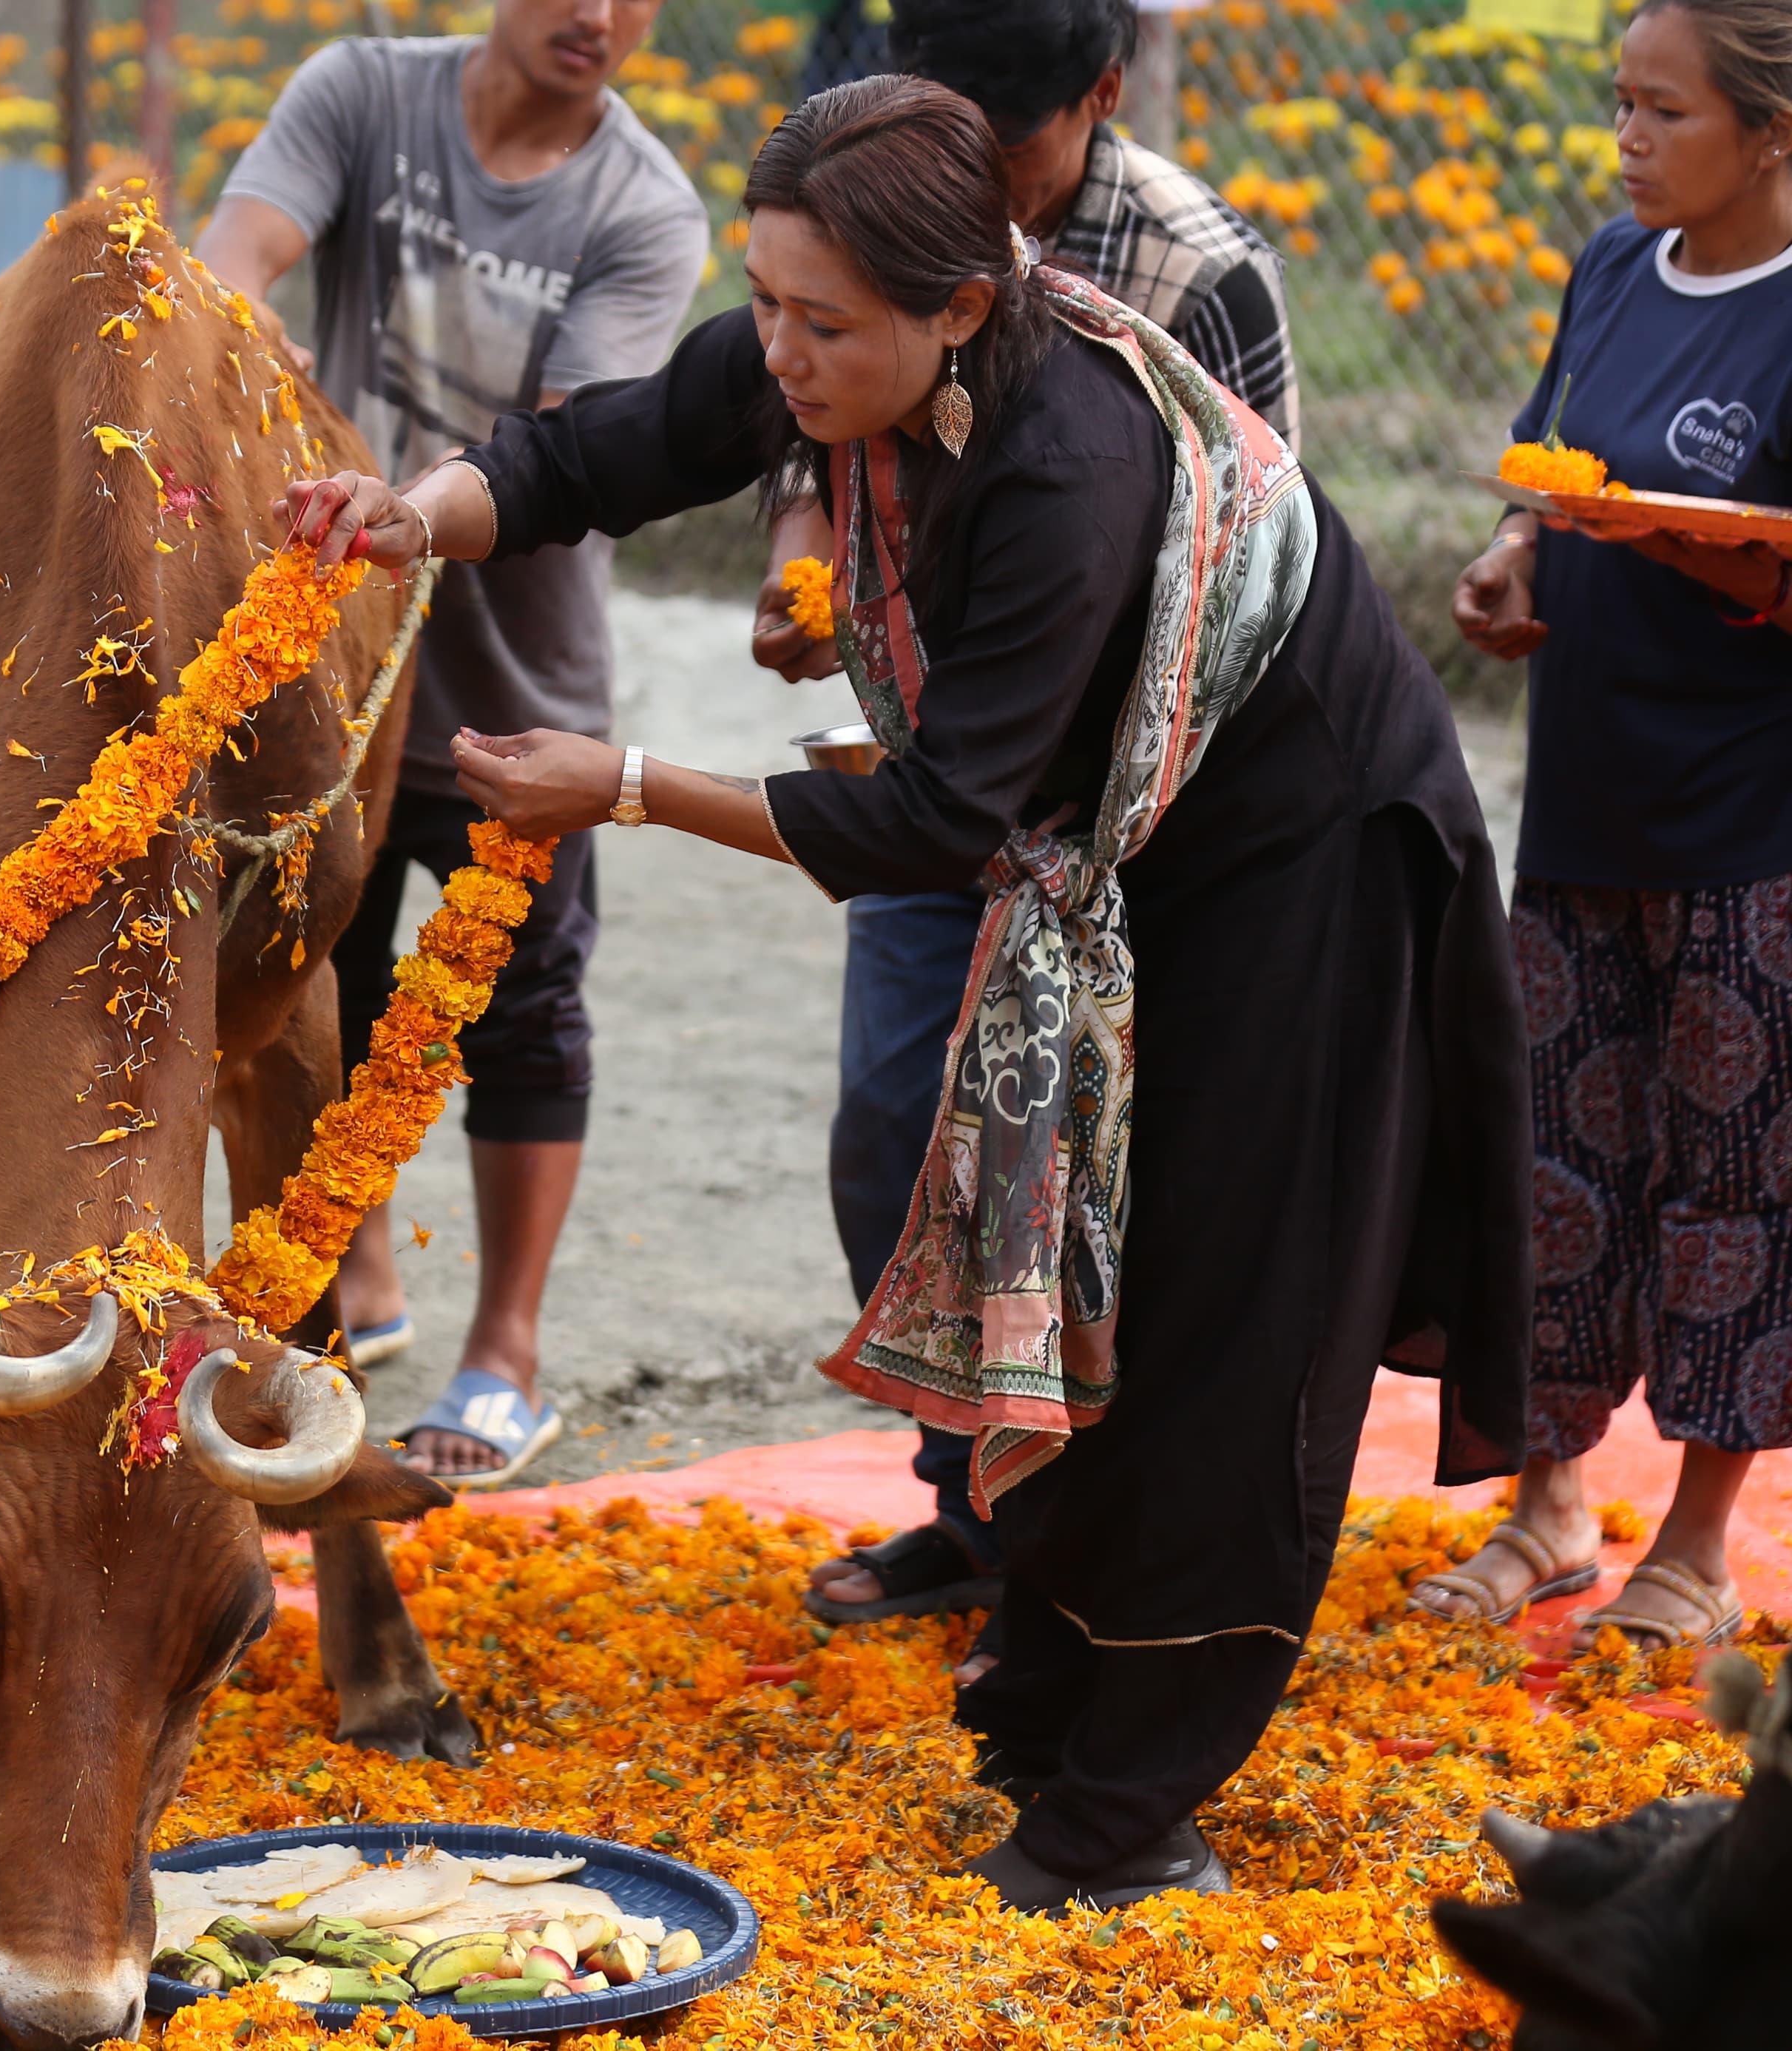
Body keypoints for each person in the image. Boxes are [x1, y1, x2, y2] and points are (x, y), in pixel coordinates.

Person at [276, 75, 1529, 1911]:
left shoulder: (1059, 463)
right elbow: (601, 448)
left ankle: (1127, 1811)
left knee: (1216, 1318)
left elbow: (939, 821)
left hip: (1304, 868)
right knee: (1090, 1284)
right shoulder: (833, 344)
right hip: (1115, 860)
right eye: (765, 302)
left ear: (963, 303)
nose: (777, 353)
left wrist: (616, 781)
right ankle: (1050, 1728)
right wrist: (411, 513)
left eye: (821, 323)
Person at [780, 0, 1305, 1656]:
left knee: (1091, 1180)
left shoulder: (1187, 281)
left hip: (1118, 823)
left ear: (1096, 96)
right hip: (951, 768)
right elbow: (782, 410)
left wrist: (633, 785)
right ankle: (970, 1501)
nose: (967, 186)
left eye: (998, 158)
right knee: (894, 1130)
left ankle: (1073, 1560)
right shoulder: (864, 209)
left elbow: (1230, 563)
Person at [195, 0, 709, 1484]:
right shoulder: (362, 91)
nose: (598, 17)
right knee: (314, 987)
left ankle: (505, 1355)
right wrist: (237, 334)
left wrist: (387, 499)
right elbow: (240, 252)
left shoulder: (641, 205)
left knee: (524, 1009)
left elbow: (564, 448)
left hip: (513, 671)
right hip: (333, 675)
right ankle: (350, 1288)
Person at [1423, 0, 1792, 1651]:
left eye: (1663, 112)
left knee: (1735, 1176)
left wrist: (1679, 546)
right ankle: (1547, 1504)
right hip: (1583, 794)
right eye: (1618, 106)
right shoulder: (1610, 265)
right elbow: (1554, 449)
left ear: (1770, 132)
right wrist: (1524, 545)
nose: (1627, 141)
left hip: (1753, 818)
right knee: (1555, 1161)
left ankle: (1699, 1540)